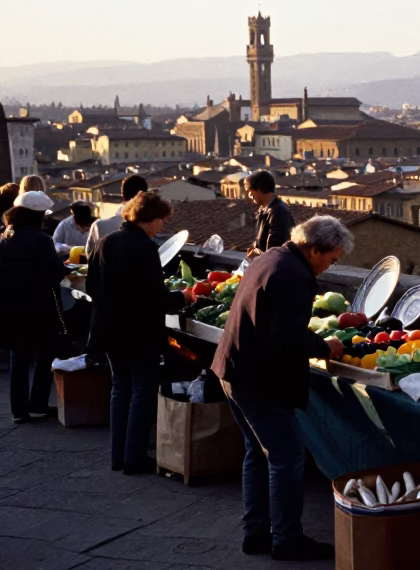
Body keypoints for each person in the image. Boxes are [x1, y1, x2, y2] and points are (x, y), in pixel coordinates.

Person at [212, 215, 350, 561]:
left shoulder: (271, 258)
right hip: (259, 379)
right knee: (286, 459)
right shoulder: (293, 276)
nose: (328, 268)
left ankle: (255, 532)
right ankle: (287, 539)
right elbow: (287, 336)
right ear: (314, 248)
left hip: (234, 368)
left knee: (257, 454)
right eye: (330, 259)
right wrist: (324, 348)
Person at [87, 191, 190, 473]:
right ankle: (134, 458)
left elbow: (90, 287)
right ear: (149, 219)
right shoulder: (144, 248)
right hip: (138, 332)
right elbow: (155, 297)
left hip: (108, 330)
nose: (162, 227)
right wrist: (183, 297)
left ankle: (117, 456)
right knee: (143, 390)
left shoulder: (105, 242)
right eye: (161, 221)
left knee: (120, 389)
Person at [0, 192, 71, 423]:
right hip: (39, 306)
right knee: (45, 352)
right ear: (37, 215)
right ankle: (38, 404)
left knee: (18, 357)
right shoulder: (41, 240)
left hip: (10, 306)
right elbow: (54, 273)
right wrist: (67, 267)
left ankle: (19, 411)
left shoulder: (6, 236)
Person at [86, 174, 148, 259]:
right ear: (143, 195)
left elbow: (89, 254)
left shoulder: (98, 225)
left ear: (122, 193)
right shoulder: (150, 226)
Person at [245, 170, 293, 259]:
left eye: (250, 191)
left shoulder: (278, 212)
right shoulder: (265, 210)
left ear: (259, 190)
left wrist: (256, 252)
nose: (250, 195)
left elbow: (275, 251)